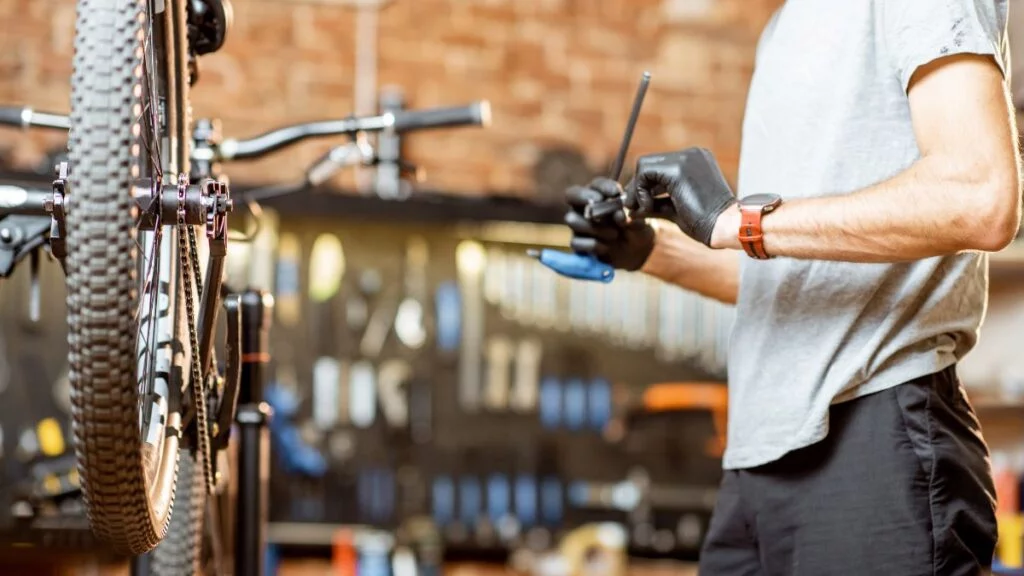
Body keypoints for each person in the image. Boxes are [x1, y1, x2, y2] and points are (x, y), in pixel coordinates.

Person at [564, 1, 1021, 574]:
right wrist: (648, 248)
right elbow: (785, 276)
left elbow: (979, 195)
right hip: (757, 462)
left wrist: (740, 221)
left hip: (873, 434)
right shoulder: (782, 28)